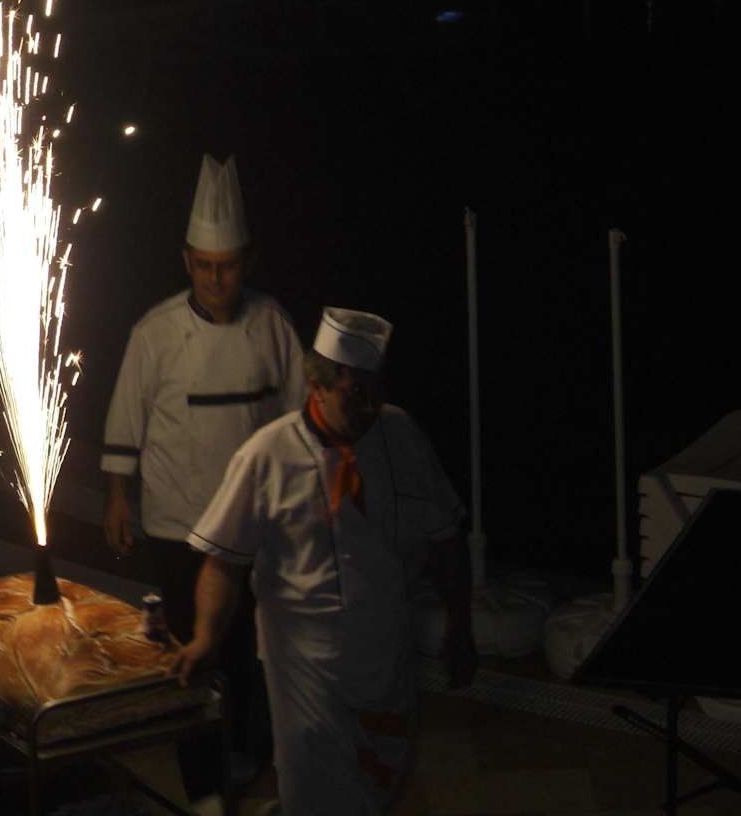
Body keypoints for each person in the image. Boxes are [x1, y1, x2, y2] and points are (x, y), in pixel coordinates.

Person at [174, 308, 476, 815]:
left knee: (380, 785)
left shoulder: (400, 434)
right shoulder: (267, 455)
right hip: (304, 664)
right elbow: (223, 562)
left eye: (376, 391)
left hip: (387, 652)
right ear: (316, 386)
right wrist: (206, 637)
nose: (369, 406)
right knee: (313, 790)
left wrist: (460, 626)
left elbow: (446, 537)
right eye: (354, 394)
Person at [101, 154, 305, 813]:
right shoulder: (154, 332)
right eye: (206, 267)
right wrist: (117, 496)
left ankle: (247, 757)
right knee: (190, 655)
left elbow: (299, 418)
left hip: (256, 523)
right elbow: (126, 417)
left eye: (229, 267)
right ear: (187, 262)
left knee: (252, 652)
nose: (217, 279)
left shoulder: (272, 324)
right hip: (179, 524)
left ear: (247, 262)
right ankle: (204, 789)